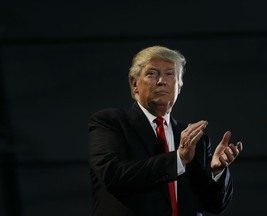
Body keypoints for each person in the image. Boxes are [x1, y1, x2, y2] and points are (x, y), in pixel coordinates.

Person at [88, 46, 243, 216]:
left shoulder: (196, 139)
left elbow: (214, 205)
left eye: (170, 74)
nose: (162, 81)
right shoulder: (110, 122)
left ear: (179, 87)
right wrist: (179, 159)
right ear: (134, 85)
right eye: (152, 73)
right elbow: (113, 175)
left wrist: (217, 172)